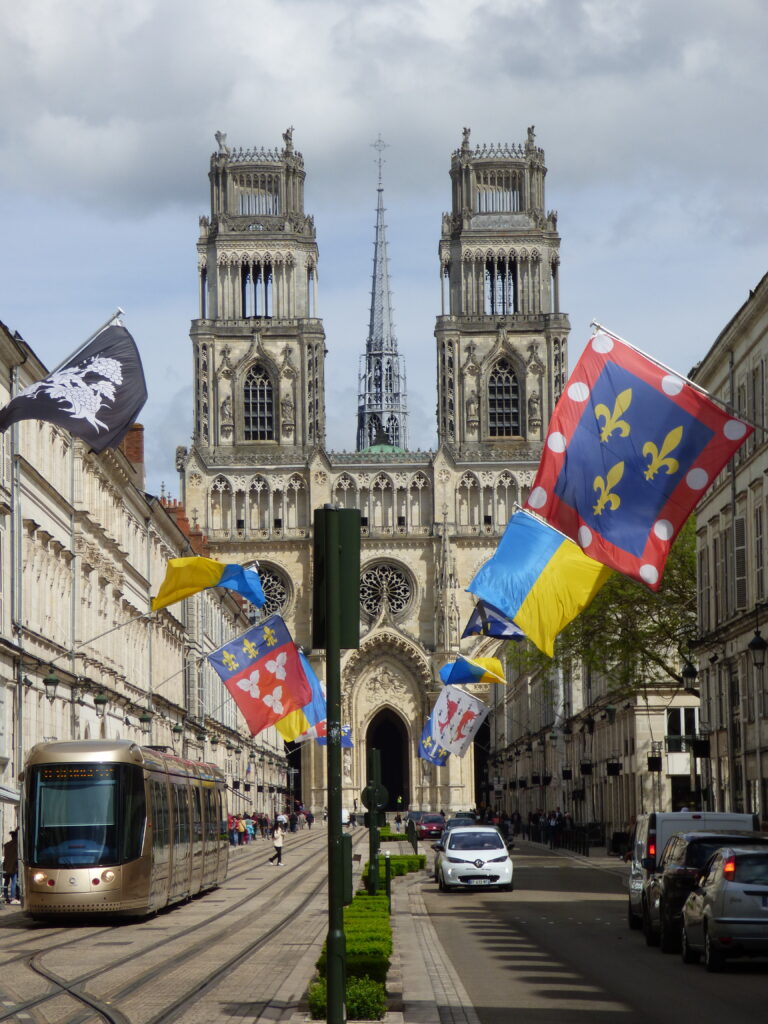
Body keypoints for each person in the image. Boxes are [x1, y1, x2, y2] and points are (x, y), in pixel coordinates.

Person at [3, 829, 19, 905]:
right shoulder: (17, 845)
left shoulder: (7, 845)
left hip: (6, 866)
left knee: (6, 882)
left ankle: (6, 897)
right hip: (13, 867)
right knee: (13, 882)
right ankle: (12, 897)